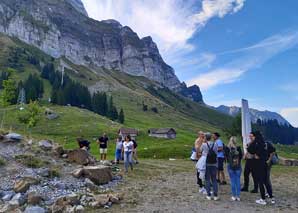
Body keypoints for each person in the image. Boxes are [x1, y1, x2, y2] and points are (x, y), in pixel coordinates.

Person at [247, 131, 275, 205]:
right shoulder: (265, 143)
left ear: (256, 136)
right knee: (266, 181)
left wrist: (251, 146)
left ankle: (263, 199)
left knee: (260, 182)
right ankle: (272, 198)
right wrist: (268, 160)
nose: (251, 138)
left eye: (253, 136)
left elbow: (249, 150)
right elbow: (272, 151)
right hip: (265, 164)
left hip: (258, 164)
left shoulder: (256, 144)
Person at [201, 133, 218, 201]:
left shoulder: (204, 144)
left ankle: (208, 194)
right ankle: (215, 195)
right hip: (214, 163)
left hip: (207, 163)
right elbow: (216, 152)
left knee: (207, 179)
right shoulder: (215, 144)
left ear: (206, 137)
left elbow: (200, 150)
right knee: (214, 179)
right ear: (211, 137)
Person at [225, 136, 243, 201]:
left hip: (230, 166)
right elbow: (241, 157)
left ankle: (233, 195)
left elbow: (226, 156)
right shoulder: (238, 148)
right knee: (238, 180)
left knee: (232, 180)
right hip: (238, 166)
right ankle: (238, 196)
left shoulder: (227, 148)